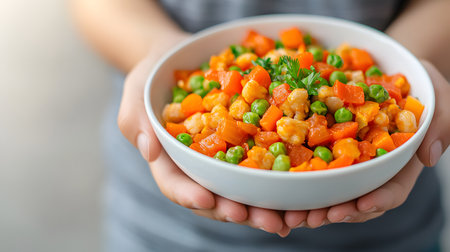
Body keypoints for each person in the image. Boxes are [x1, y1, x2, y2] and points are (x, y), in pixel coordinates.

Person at [71, 0, 450, 251]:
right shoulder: (212, 103)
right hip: (162, 229)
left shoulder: (357, 100)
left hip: (388, 235)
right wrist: (156, 51)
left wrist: (411, 55)